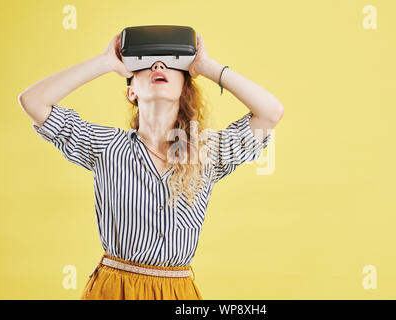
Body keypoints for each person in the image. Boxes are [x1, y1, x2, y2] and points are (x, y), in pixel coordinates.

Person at [18, 31, 284, 300]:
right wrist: (106, 62)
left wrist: (206, 66)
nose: (158, 66)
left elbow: (271, 112)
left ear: (185, 88)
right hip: (114, 290)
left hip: (178, 292)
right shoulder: (107, 146)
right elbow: (33, 101)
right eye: (146, 64)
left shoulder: (206, 152)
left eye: (170, 64)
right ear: (131, 90)